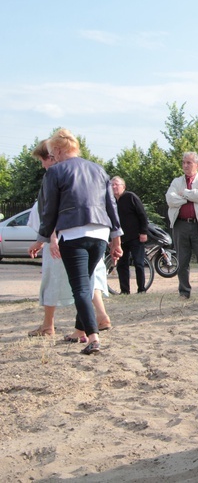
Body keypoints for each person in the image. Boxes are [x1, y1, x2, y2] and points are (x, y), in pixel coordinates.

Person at [29, 129, 123, 355]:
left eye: (53, 154)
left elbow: (49, 210)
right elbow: (111, 206)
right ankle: (81, 330)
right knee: (87, 283)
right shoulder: (98, 169)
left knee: (80, 287)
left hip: (73, 234)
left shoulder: (55, 172)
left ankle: (93, 337)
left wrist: (41, 239)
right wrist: (116, 239)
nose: (52, 158)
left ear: (59, 150)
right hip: (100, 233)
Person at [166, 152, 198, 300]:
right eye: (184, 162)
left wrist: (184, 194)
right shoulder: (176, 181)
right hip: (181, 225)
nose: (185, 165)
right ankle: (184, 292)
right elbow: (170, 199)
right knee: (182, 261)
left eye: (189, 163)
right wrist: (191, 197)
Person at [111, 176, 149, 294]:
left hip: (136, 236)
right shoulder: (110, 201)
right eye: (112, 185)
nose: (114, 187)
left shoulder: (131, 197)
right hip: (120, 239)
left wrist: (143, 232)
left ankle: (141, 289)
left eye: (117, 184)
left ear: (124, 186)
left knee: (138, 263)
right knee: (122, 265)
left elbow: (142, 215)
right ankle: (125, 290)